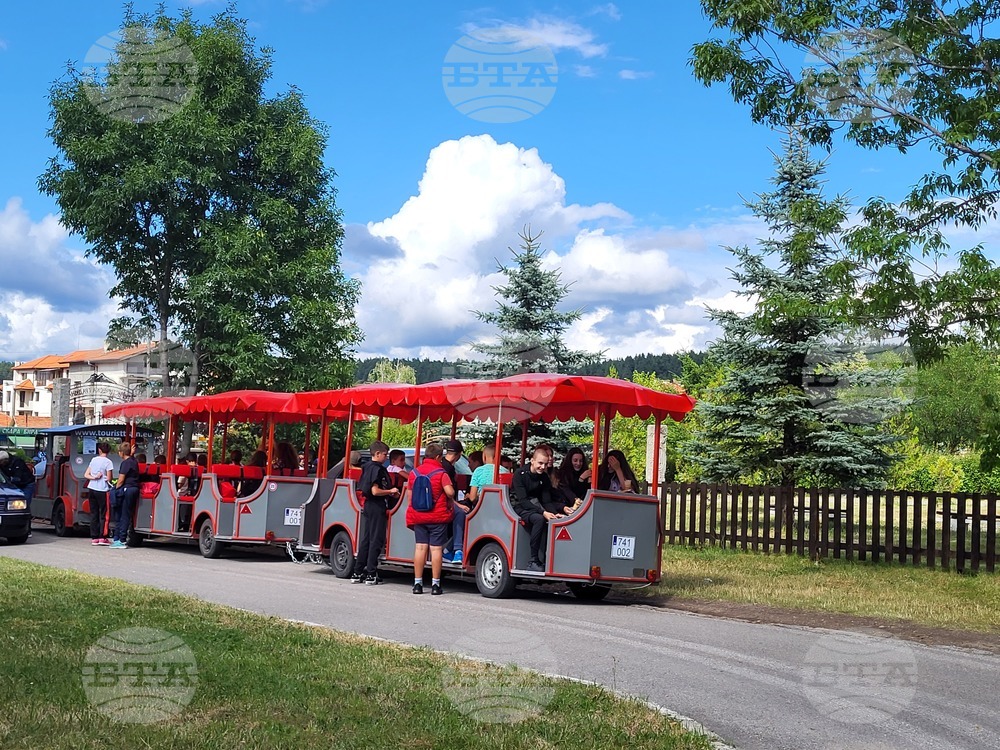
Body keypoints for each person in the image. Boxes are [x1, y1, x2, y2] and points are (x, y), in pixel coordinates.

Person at [511, 447, 572, 572]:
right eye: (540, 463)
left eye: (545, 464)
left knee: (553, 520)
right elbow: (523, 500)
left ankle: (550, 559)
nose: (543, 467)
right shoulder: (520, 474)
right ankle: (533, 559)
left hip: (536, 506)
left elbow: (546, 501)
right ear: (532, 461)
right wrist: (543, 513)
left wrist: (555, 514)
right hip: (519, 507)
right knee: (539, 519)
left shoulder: (544, 478)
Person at [445, 444, 509, 564]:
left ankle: (454, 550)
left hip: (482, 511)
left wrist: (470, 497)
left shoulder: (479, 471)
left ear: (484, 457)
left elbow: (473, 497)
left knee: (463, 517)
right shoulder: (505, 471)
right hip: (500, 512)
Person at [406, 442, 454, 595]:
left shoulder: (414, 473)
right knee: (436, 549)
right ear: (439, 456)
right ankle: (435, 585)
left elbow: (409, 495)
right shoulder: (441, 473)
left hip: (419, 516)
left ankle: (417, 584)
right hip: (437, 517)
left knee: (420, 548)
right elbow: (450, 493)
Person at [351, 441, 401, 585]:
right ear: (377, 454)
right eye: (385, 454)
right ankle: (371, 573)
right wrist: (390, 491)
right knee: (376, 540)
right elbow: (375, 491)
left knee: (366, 539)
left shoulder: (366, 467)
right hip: (376, 505)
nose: (386, 457)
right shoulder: (377, 469)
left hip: (368, 505)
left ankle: (357, 571)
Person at [83, 442, 114, 546]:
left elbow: (86, 474)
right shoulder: (108, 462)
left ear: (99, 450)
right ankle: (102, 537)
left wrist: (95, 477)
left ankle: (94, 537)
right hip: (102, 489)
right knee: (104, 514)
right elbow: (109, 478)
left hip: (92, 488)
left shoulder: (94, 460)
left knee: (94, 513)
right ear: (108, 451)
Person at [1, 450, 36, 537]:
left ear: (5, 460)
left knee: (24, 505)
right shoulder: (3, 464)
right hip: (12, 485)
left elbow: (17, 478)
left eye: (1, 462)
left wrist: (8, 481)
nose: (0, 464)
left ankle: (27, 530)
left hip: (26, 484)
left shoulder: (17, 462)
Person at [111, 442, 140, 549]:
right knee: (127, 513)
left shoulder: (125, 463)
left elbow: (121, 480)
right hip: (134, 488)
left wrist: (115, 488)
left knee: (121, 514)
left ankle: (120, 539)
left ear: (121, 453)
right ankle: (122, 538)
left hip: (126, 489)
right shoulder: (134, 461)